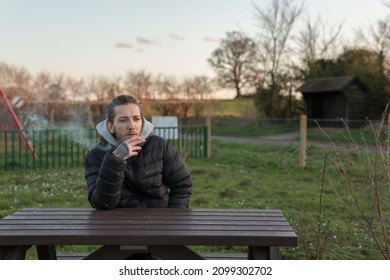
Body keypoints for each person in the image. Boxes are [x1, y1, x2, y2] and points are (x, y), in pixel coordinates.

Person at [84, 95, 192, 210]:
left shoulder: (159, 146)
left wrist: (173, 217)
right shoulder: (96, 155)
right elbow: (101, 203)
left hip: (158, 222)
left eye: (136, 119)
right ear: (111, 127)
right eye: (123, 120)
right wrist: (116, 158)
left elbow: (182, 186)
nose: (132, 126)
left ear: (142, 121)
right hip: (118, 224)